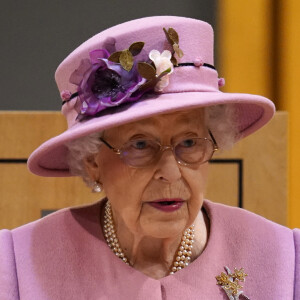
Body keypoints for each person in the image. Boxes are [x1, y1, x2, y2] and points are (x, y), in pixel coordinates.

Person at [0, 16, 299, 300]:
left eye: (190, 142)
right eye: (141, 144)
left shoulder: (285, 260)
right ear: (92, 160)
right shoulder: (19, 265)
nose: (170, 172)